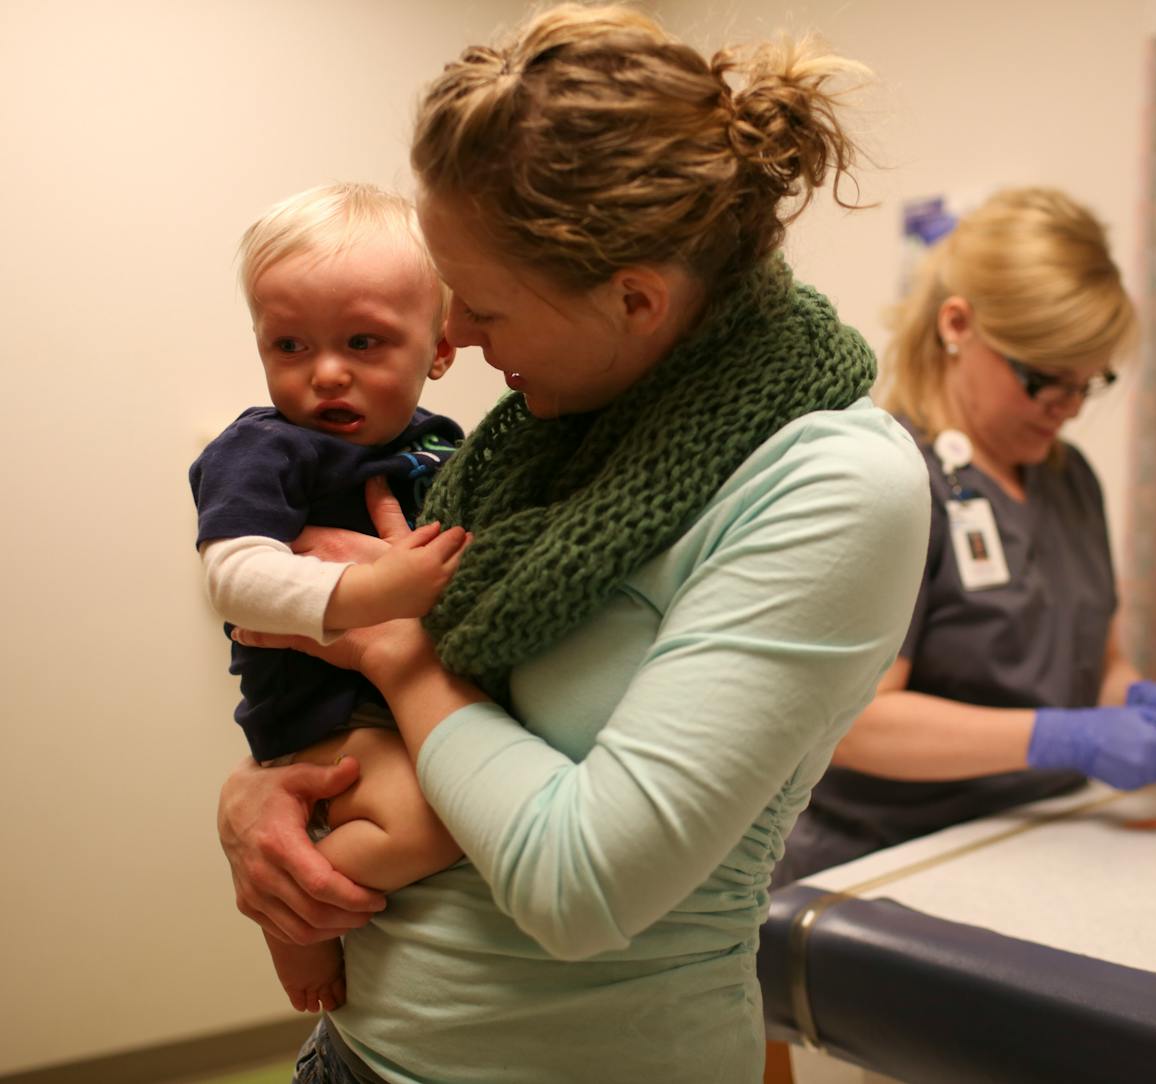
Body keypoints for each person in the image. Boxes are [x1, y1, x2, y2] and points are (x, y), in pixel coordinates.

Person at [212, 7, 931, 1082]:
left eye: (484, 306)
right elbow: (435, 735)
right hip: (354, 1050)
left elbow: (580, 882)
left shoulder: (828, 483)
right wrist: (260, 794)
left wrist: (394, 651)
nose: (450, 332)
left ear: (634, 300)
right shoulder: (540, 435)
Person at [774, 188, 1156, 884]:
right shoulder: (887, 479)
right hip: (886, 860)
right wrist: (1061, 737)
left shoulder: (1070, 481)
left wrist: (1135, 704)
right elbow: (852, 724)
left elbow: (1095, 664)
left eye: (1088, 383)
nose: (1068, 411)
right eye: (1045, 381)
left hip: (1039, 833)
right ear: (958, 325)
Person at [190, 183, 469, 1014]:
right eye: (290, 345)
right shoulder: (265, 448)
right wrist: (374, 588)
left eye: (363, 341)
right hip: (319, 712)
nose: (327, 372)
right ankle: (294, 915)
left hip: (403, 696)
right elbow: (232, 575)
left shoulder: (441, 444)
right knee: (435, 826)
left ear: (441, 347)